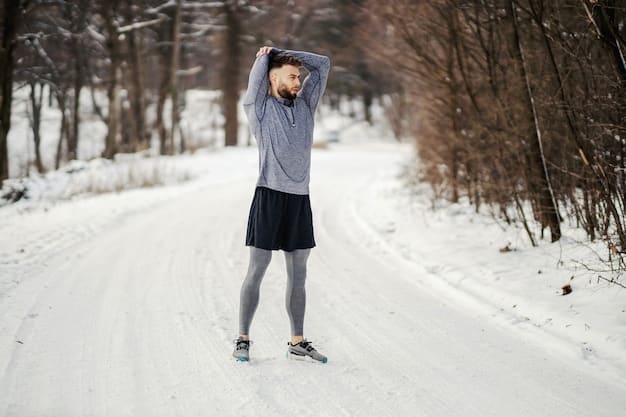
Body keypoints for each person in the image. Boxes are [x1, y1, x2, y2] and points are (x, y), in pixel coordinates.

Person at [232, 46, 330, 363]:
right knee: (257, 271)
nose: (298, 81)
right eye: (291, 75)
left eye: (298, 76)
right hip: (269, 196)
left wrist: (284, 52)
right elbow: (256, 78)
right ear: (273, 78)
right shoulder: (259, 108)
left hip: (300, 200)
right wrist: (265, 56)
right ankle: (243, 339)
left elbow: (323, 65)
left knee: (298, 275)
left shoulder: (306, 107)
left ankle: (297, 341)